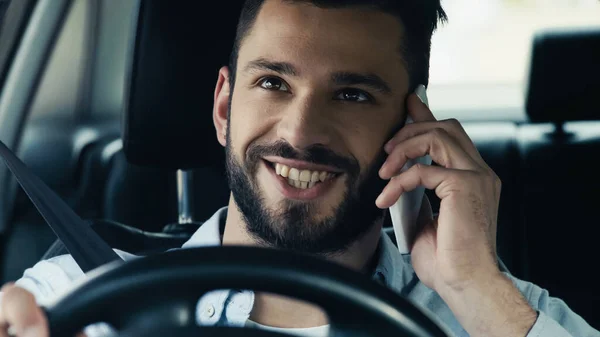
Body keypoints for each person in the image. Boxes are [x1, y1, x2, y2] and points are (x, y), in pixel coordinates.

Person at [1, 0, 599, 336]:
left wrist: (474, 287)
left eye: (353, 95)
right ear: (224, 106)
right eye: (273, 82)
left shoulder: (496, 317)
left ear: (412, 123)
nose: (301, 132)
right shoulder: (72, 302)